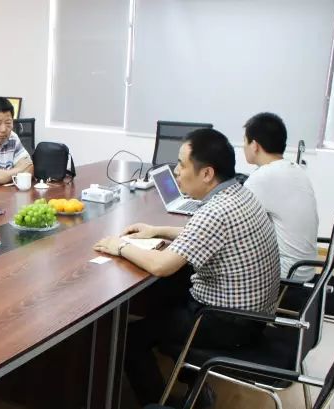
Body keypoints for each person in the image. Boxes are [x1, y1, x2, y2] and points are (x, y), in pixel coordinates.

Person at [94, 128, 280, 407]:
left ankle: (159, 403)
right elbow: (205, 236)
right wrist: (157, 230)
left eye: (182, 164)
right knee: (163, 294)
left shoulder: (215, 212)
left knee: (131, 338)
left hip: (226, 321)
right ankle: (196, 386)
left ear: (207, 173)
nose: (176, 171)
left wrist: (119, 246)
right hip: (252, 315)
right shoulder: (238, 194)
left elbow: (161, 266)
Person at [243, 112, 319, 282]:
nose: (243, 147)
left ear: (254, 145)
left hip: (287, 271)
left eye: (244, 141)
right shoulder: (294, 169)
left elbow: (230, 219)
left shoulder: (264, 177)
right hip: (305, 267)